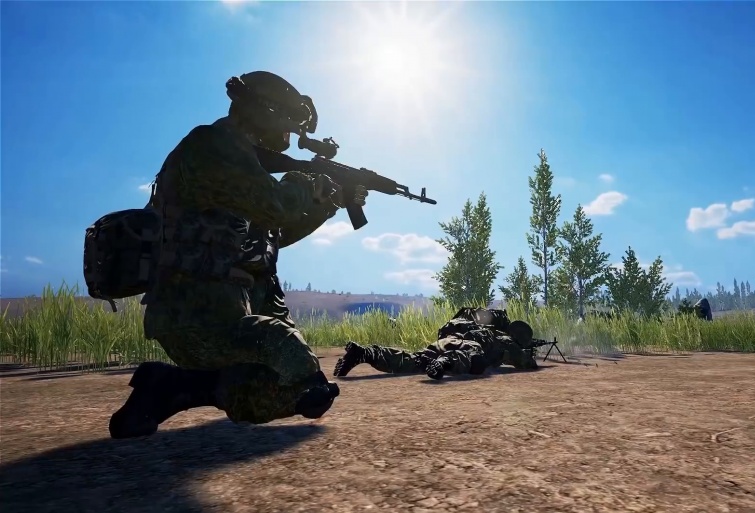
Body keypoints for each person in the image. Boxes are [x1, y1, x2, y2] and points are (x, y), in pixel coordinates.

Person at [109, 71, 365, 439]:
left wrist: (326, 204)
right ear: (263, 111)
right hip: (190, 311)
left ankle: (170, 387)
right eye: (287, 123)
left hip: (227, 312)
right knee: (293, 360)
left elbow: (273, 236)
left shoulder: (244, 164)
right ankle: (182, 384)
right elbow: (276, 205)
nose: (289, 135)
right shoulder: (211, 145)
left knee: (271, 393)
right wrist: (304, 181)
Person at [333, 315, 539, 380]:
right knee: (478, 362)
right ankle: (446, 362)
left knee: (415, 360)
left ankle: (366, 353)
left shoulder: (482, 327)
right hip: (463, 347)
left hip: (445, 341)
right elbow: (527, 363)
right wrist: (530, 354)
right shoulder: (504, 339)